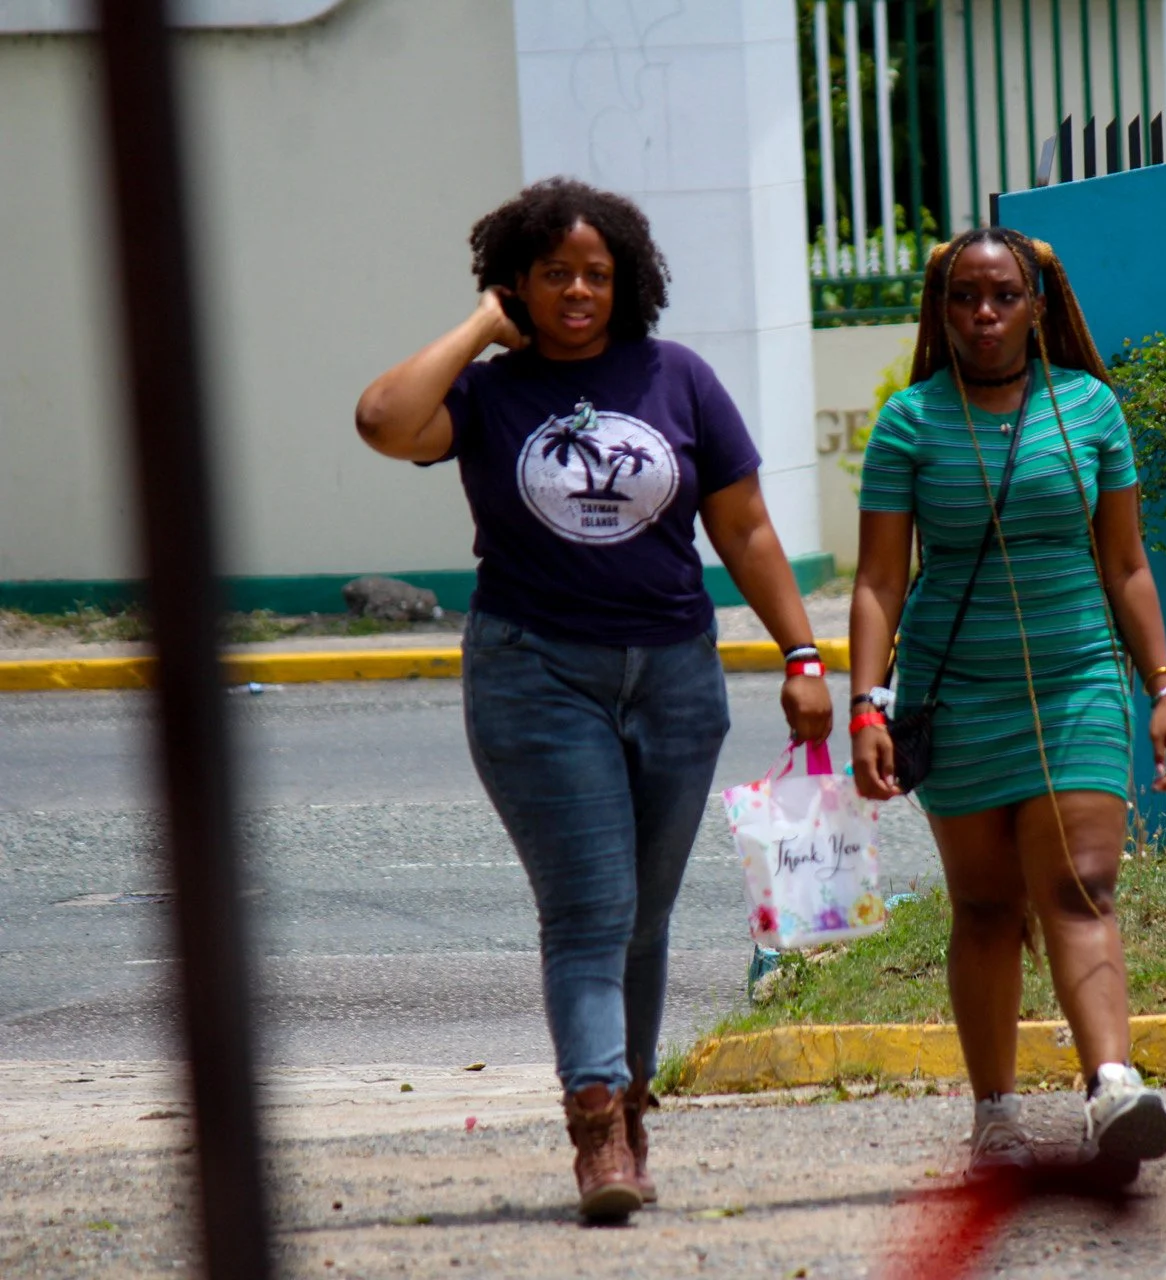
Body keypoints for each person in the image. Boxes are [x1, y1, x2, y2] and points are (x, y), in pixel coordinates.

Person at [353, 178, 831, 1220]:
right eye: (555, 273)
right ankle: (597, 1123)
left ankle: (633, 1099)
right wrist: (486, 322)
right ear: (519, 279)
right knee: (588, 907)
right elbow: (383, 421)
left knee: (645, 915)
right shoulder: (486, 394)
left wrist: (800, 654)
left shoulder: (678, 377)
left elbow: (743, 529)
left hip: (675, 672)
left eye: (597, 274)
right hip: (536, 672)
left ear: (629, 282)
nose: (578, 290)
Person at [848, 226, 1166, 1178]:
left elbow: (1126, 564)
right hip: (954, 697)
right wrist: (867, 705)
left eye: (1003, 296)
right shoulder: (910, 423)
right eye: (965, 298)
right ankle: (996, 1115)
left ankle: (1113, 1085)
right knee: (988, 908)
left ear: (1038, 305)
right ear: (942, 310)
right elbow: (879, 581)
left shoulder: (1090, 409)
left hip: (1080, 677)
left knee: (1083, 885)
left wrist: (1162, 687)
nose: (984, 315)